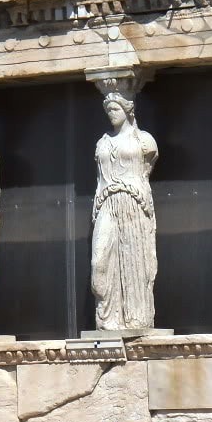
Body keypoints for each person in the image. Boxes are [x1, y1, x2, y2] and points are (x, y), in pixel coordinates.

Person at [91, 92, 158, 330]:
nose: (111, 113)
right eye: (108, 109)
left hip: (133, 201)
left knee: (134, 260)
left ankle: (135, 318)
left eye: (115, 108)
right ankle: (108, 318)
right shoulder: (102, 142)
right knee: (99, 262)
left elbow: (147, 166)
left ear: (128, 110)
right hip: (106, 202)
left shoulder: (145, 141)